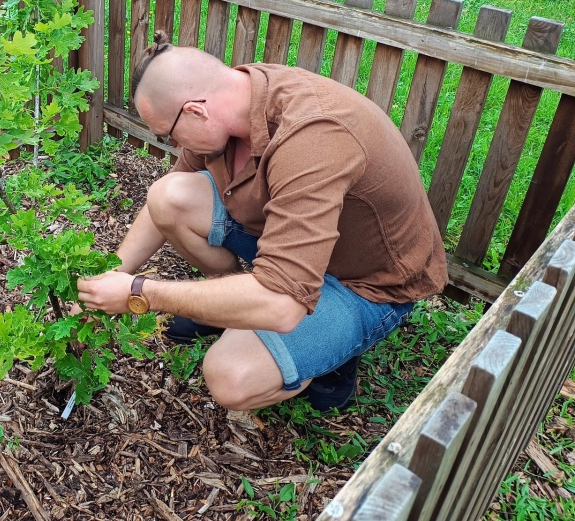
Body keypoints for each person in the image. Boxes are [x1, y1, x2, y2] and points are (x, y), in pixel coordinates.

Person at [76, 40, 448, 412]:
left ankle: (334, 354)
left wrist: (140, 293)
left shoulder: (312, 134)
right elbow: (165, 204)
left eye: (169, 134)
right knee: (168, 196)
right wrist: (107, 277)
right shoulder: (232, 99)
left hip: (366, 283)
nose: (172, 144)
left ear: (195, 111)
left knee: (231, 375)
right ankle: (233, 305)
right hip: (292, 243)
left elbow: (284, 303)